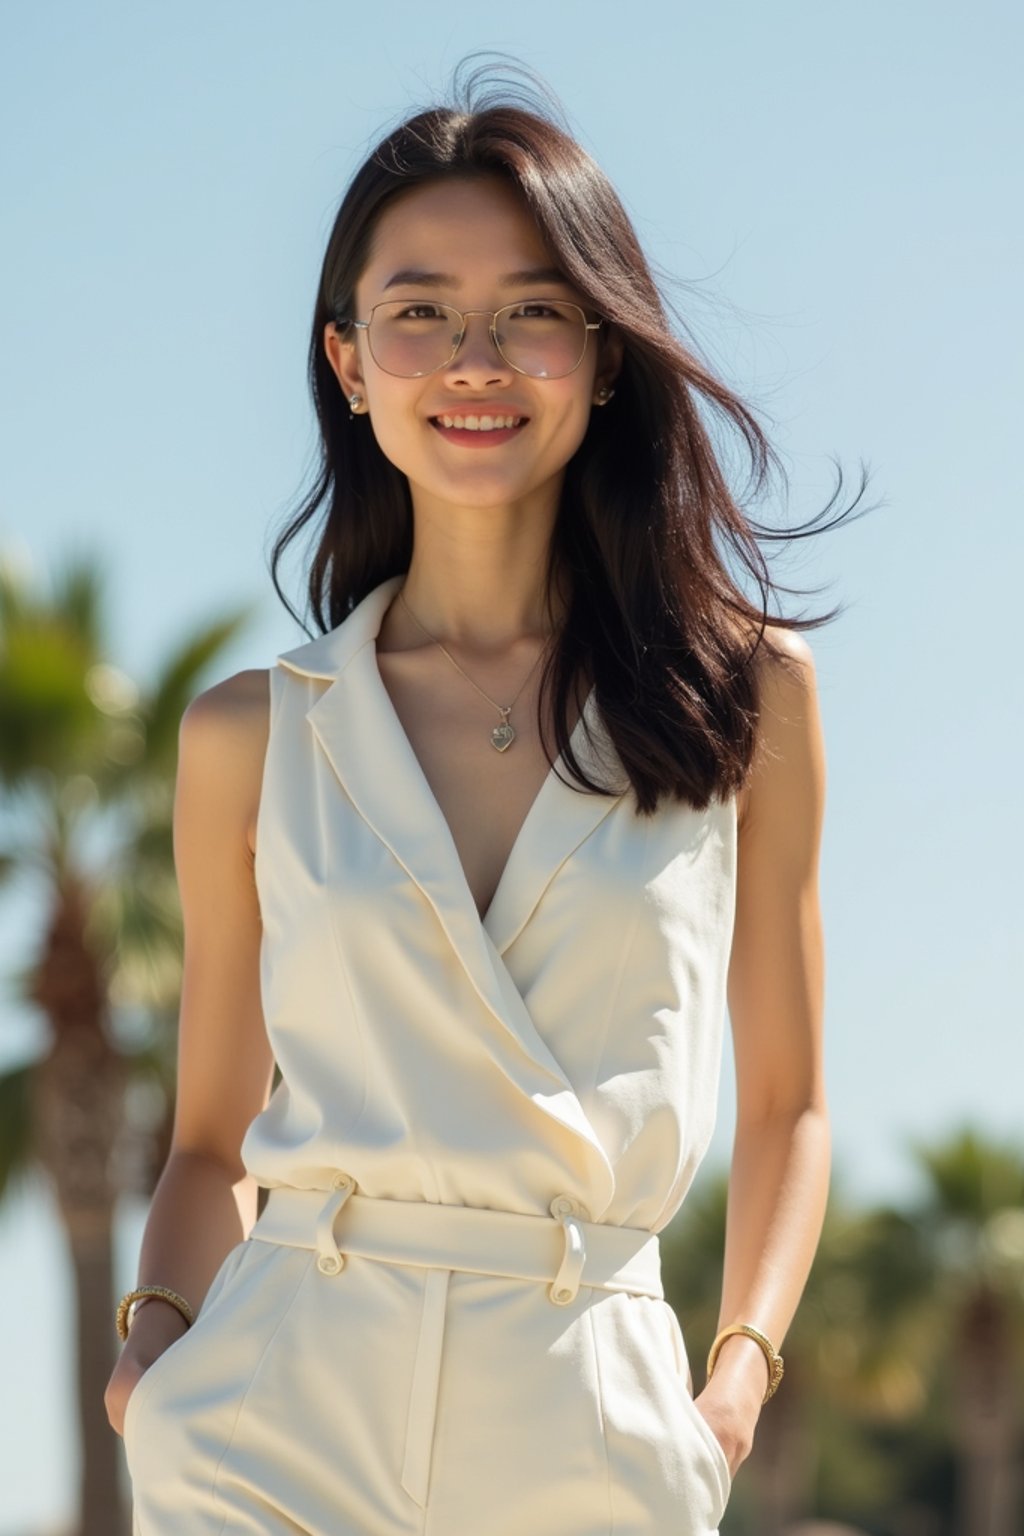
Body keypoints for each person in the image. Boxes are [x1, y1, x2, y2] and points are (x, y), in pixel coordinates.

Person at [106, 58, 859, 1536]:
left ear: (604, 348)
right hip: (277, 1412)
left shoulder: (746, 699)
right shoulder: (251, 737)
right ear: (348, 361)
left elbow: (792, 1103)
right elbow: (209, 1138)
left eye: (529, 309)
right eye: (419, 313)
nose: (474, 357)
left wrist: (731, 1388)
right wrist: (152, 1346)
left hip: (591, 1411)